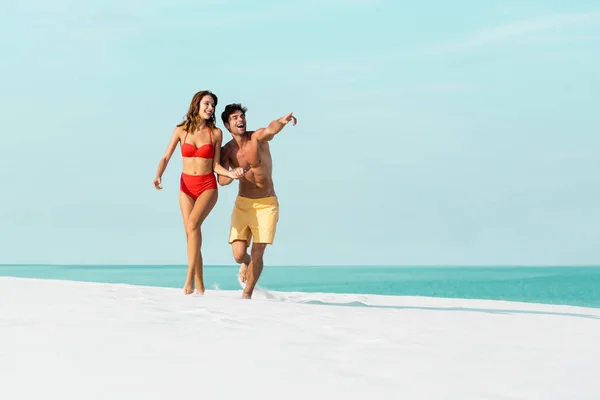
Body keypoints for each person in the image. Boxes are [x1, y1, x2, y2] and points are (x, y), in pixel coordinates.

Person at [153, 90, 245, 295]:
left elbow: (216, 166)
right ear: (197, 104)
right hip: (185, 186)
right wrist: (159, 174)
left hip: (207, 187)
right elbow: (166, 156)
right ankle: (201, 287)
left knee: (193, 225)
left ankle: (188, 282)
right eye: (207, 103)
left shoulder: (216, 133)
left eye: (213, 105)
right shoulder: (181, 130)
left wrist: (232, 173)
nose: (210, 108)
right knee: (191, 234)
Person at [218, 103, 297, 299]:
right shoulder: (227, 151)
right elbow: (222, 180)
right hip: (243, 204)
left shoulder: (256, 138)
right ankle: (245, 263)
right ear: (228, 125)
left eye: (241, 117)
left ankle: (247, 294)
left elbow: (270, 129)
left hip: (266, 204)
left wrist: (282, 121)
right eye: (235, 118)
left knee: (258, 252)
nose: (240, 120)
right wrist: (232, 173)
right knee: (238, 255)